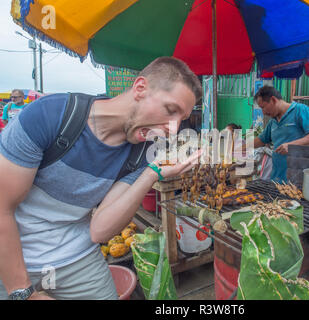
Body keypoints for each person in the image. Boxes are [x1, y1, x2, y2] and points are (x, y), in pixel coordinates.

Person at [0, 57, 202, 300]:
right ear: (140, 88)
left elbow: (99, 231)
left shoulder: (144, 152)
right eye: (171, 110)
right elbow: (2, 208)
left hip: (78, 258)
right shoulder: (49, 116)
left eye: (181, 119)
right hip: (12, 259)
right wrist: (22, 292)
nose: (173, 128)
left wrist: (152, 173)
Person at [249, 85, 309, 183]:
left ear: (273, 100)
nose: (263, 112)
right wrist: (240, 147)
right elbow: (261, 140)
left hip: (297, 179)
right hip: (277, 178)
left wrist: (291, 146)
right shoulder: (273, 122)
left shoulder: (300, 110)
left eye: (263, 107)